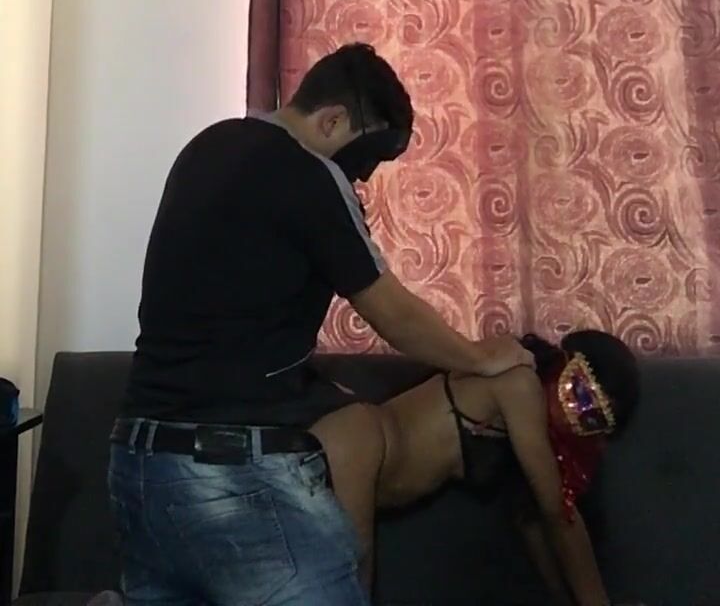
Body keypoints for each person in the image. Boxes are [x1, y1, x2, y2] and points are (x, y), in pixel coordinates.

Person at [108, 43, 533, 606]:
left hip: (137, 465)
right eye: (361, 161)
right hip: (228, 472)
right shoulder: (307, 173)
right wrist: (480, 357)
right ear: (331, 120)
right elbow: (391, 311)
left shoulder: (206, 147)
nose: (359, 179)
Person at [310, 329, 641, 606]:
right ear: (562, 363)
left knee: (344, 586)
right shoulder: (519, 383)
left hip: (351, 454)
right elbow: (558, 512)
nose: (574, 415)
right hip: (355, 443)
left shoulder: (529, 436)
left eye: (592, 418)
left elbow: (537, 524)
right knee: (351, 587)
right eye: (579, 393)